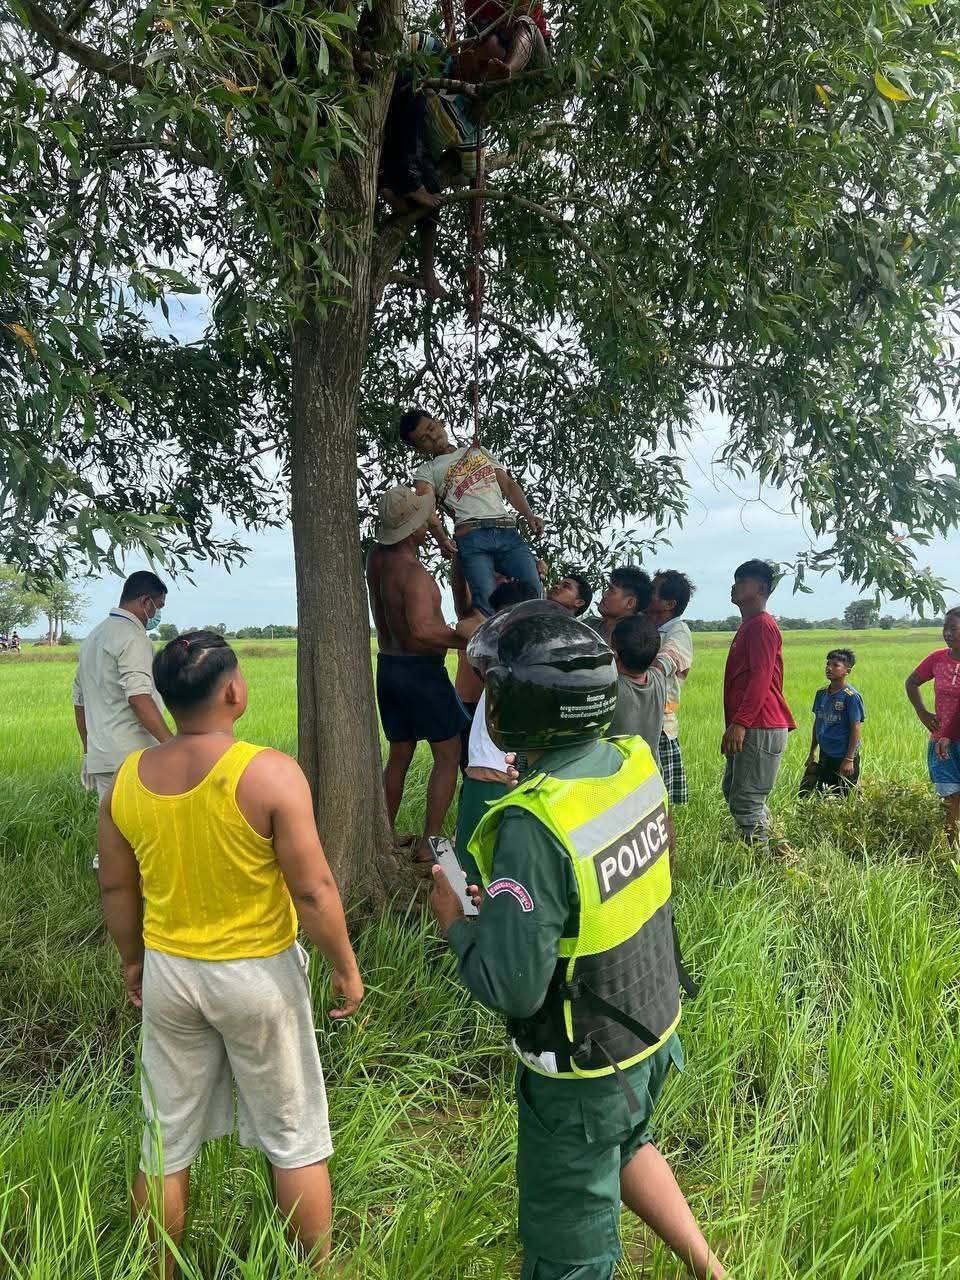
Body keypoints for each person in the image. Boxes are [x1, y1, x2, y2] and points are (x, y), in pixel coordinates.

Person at [430, 602, 725, 1280]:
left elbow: (513, 986)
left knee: (569, 1252)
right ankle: (710, 1267)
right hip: (649, 1023)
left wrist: (452, 919)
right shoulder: (630, 762)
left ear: (531, 708)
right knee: (630, 1143)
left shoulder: (535, 822)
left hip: (584, 1066)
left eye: (498, 689)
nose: (489, 700)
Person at [97, 632, 363, 1279]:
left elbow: (115, 885)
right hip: (258, 975)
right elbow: (314, 888)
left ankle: (159, 1270)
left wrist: (133, 961)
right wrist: (344, 968)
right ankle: (313, 1269)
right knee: (294, 1135)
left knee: (165, 1140)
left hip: (170, 973)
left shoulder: (128, 780)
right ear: (233, 690)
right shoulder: (268, 772)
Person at [366, 485, 468, 864]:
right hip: (421, 673)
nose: (429, 523)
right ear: (413, 529)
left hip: (389, 667)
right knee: (448, 753)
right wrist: (464, 636)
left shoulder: (376, 559)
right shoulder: (415, 575)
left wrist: (441, 537)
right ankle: (430, 842)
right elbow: (423, 629)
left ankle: (385, 833)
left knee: (399, 755)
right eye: (424, 520)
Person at [400, 407, 544, 615]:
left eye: (431, 428)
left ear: (440, 423)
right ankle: (489, 645)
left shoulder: (478, 450)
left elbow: (508, 485)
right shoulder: (427, 471)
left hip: (507, 530)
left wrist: (529, 515)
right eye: (424, 439)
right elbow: (426, 507)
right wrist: (441, 539)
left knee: (533, 589)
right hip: (472, 537)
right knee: (486, 604)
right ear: (420, 449)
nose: (433, 436)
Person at [73, 571, 173, 866]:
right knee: (143, 838)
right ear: (145, 601)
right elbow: (139, 697)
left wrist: (88, 748)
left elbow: (78, 701)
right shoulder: (133, 637)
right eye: (159, 606)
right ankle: (141, 903)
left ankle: (113, 895)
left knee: (114, 834)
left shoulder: (94, 637)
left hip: (102, 754)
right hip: (132, 755)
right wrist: (172, 744)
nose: (157, 614)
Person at [454, 579, 539, 883]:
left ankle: (466, 917)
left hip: (491, 768)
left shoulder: (506, 651)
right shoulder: (536, 653)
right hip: (505, 766)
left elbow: (467, 631)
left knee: (471, 855)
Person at [721, 559, 795, 847]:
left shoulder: (762, 626)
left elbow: (761, 680)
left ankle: (764, 865)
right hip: (753, 724)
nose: (734, 586)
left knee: (747, 801)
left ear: (762, 588)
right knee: (735, 792)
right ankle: (777, 854)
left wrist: (740, 724)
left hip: (760, 724)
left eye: (742, 581)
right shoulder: (749, 626)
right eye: (735, 580)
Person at [905, 606, 960, 847]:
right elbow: (912, 681)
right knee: (949, 798)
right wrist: (922, 712)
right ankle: (952, 850)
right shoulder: (937, 658)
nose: (947, 633)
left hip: (951, 737)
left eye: (953, 628)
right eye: (945, 627)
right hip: (941, 742)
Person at [646, 571, 695, 806]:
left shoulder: (678, 631)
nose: (647, 593)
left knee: (658, 802)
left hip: (660, 726)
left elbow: (667, 661)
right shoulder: (644, 624)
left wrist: (634, 674)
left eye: (653, 590)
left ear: (669, 604)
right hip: (639, 718)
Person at [800, 649, 865, 796]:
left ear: (847, 671)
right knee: (824, 794)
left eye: (836, 665)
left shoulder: (851, 697)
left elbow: (855, 729)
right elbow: (818, 723)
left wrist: (849, 759)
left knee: (845, 797)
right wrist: (812, 752)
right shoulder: (821, 694)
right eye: (828, 664)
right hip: (826, 753)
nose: (829, 668)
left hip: (843, 755)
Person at [606, 614, 669, 758]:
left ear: (614, 654)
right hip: (649, 774)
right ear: (654, 657)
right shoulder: (658, 678)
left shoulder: (612, 689)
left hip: (620, 777)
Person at [587, 566, 652, 644]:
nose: (604, 594)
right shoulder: (589, 624)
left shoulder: (634, 643)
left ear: (630, 603)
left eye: (611, 590)